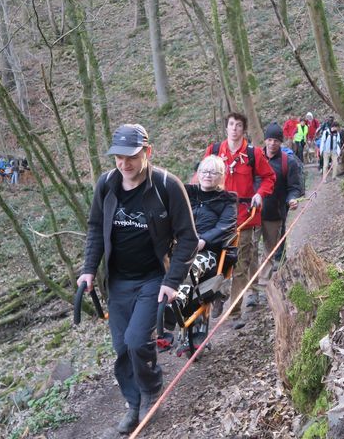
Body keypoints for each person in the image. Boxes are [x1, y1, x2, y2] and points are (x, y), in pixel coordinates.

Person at [77, 124, 198, 434]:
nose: (124, 164)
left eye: (131, 156)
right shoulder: (107, 185)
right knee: (121, 347)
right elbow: (95, 228)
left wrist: (172, 281)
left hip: (153, 279)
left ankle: (150, 391)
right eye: (118, 157)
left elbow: (187, 237)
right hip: (117, 281)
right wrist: (89, 269)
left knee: (136, 341)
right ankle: (133, 403)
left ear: (148, 152)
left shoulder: (166, 186)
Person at [204, 112, 275, 329]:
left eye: (239, 125)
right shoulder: (215, 151)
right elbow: (201, 175)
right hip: (217, 218)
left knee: (242, 264)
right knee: (216, 263)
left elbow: (269, 177)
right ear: (226, 128)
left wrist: (259, 194)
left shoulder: (253, 154)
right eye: (231, 124)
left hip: (245, 216)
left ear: (244, 130)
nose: (234, 128)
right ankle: (218, 294)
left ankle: (234, 313)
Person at [184, 155, 237, 315]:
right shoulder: (187, 192)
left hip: (210, 251)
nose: (208, 175)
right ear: (198, 174)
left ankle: (186, 309)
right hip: (182, 246)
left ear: (221, 176)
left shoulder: (227, 200)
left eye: (213, 172)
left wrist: (204, 240)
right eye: (204, 171)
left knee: (188, 269)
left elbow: (224, 226)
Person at [252, 123, 301, 295]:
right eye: (270, 139)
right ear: (265, 140)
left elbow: (294, 187)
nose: (272, 143)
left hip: (275, 214)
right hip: (252, 214)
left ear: (281, 142)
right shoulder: (254, 157)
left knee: (269, 253)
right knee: (249, 252)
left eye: (276, 140)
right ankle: (252, 292)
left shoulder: (288, 162)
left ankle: (264, 288)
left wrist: (292, 199)